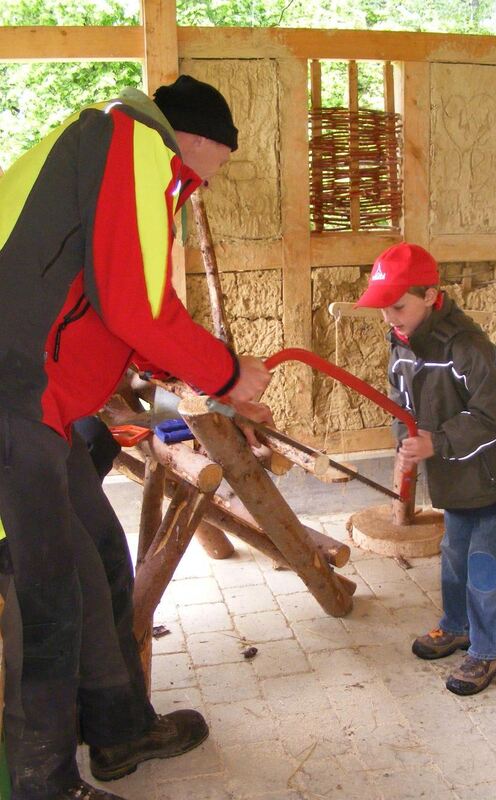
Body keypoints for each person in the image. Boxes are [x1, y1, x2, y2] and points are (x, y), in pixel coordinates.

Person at [0, 75, 272, 800]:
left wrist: (206, 375)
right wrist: (227, 371)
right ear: (200, 141)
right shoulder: (124, 138)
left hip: (43, 410)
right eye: (222, 160)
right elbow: (134, 305)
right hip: (11, 403)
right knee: (45, 596)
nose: (213, 179)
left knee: (100, 557)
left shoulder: (128, 162)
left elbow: (120, 302)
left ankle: (119, 732)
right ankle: (43, 784)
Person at [355, 242, 496, 696]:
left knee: (485, 564)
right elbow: (400, 402)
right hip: (453, 478)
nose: (390, 318)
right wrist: (404, 442)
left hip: (493, 478)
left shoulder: (467, 347)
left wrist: (438, 441)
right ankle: (457, 626)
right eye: (383, 309)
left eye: (398, 306)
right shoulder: (404, 343)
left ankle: (490, 652)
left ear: (431, 296)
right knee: (454, 556)